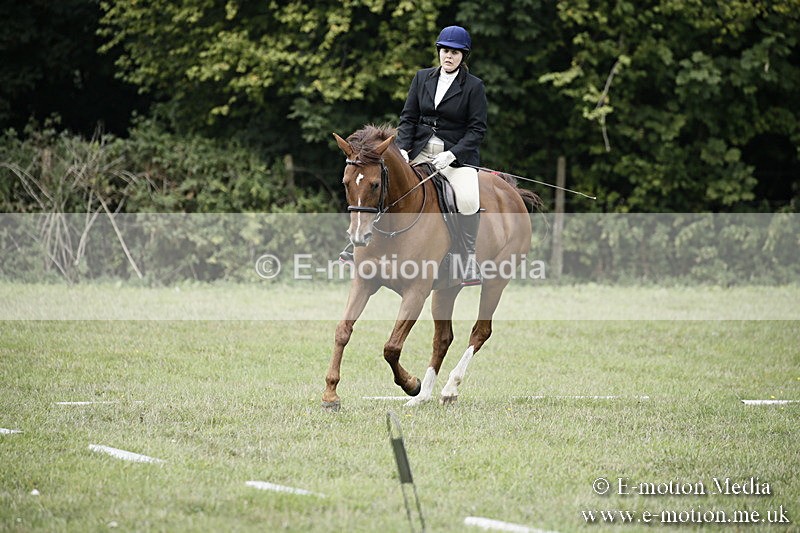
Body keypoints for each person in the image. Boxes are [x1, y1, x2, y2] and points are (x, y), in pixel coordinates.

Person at [395, 25, 487, 286]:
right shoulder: (422, 77)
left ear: (463, 56)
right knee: (385, 182)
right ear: (439, 51)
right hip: (420, 151)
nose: (449, 56)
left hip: (455, 156)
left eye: (455, 53)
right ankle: (358, 245)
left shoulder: (473, 86)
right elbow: (408, 117)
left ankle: (467, 260)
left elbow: (477, 130)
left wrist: (452, 154)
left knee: (468, 199)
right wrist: (403, 147)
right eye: (445, 51)